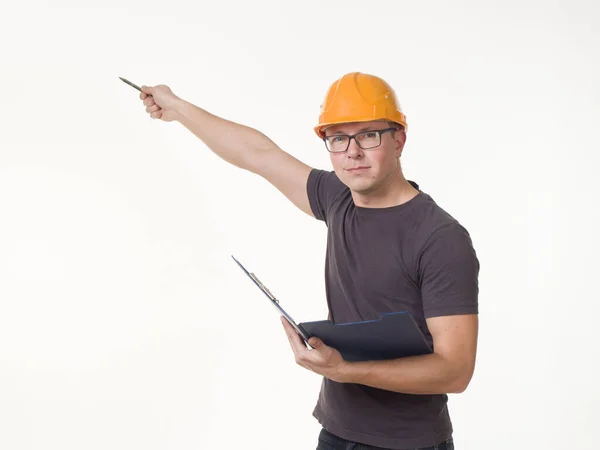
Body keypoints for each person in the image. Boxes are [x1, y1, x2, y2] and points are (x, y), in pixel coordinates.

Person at [139, 72, 479, 450]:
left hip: (408, 443)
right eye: (338, 138)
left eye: (368, 134)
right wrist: (178, 108)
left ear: (399, 139)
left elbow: (455, 370)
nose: (352, 151)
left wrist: (344, 371)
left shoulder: (440, 238)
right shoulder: (338, 198)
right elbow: (258, 154)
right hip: (336, 433)